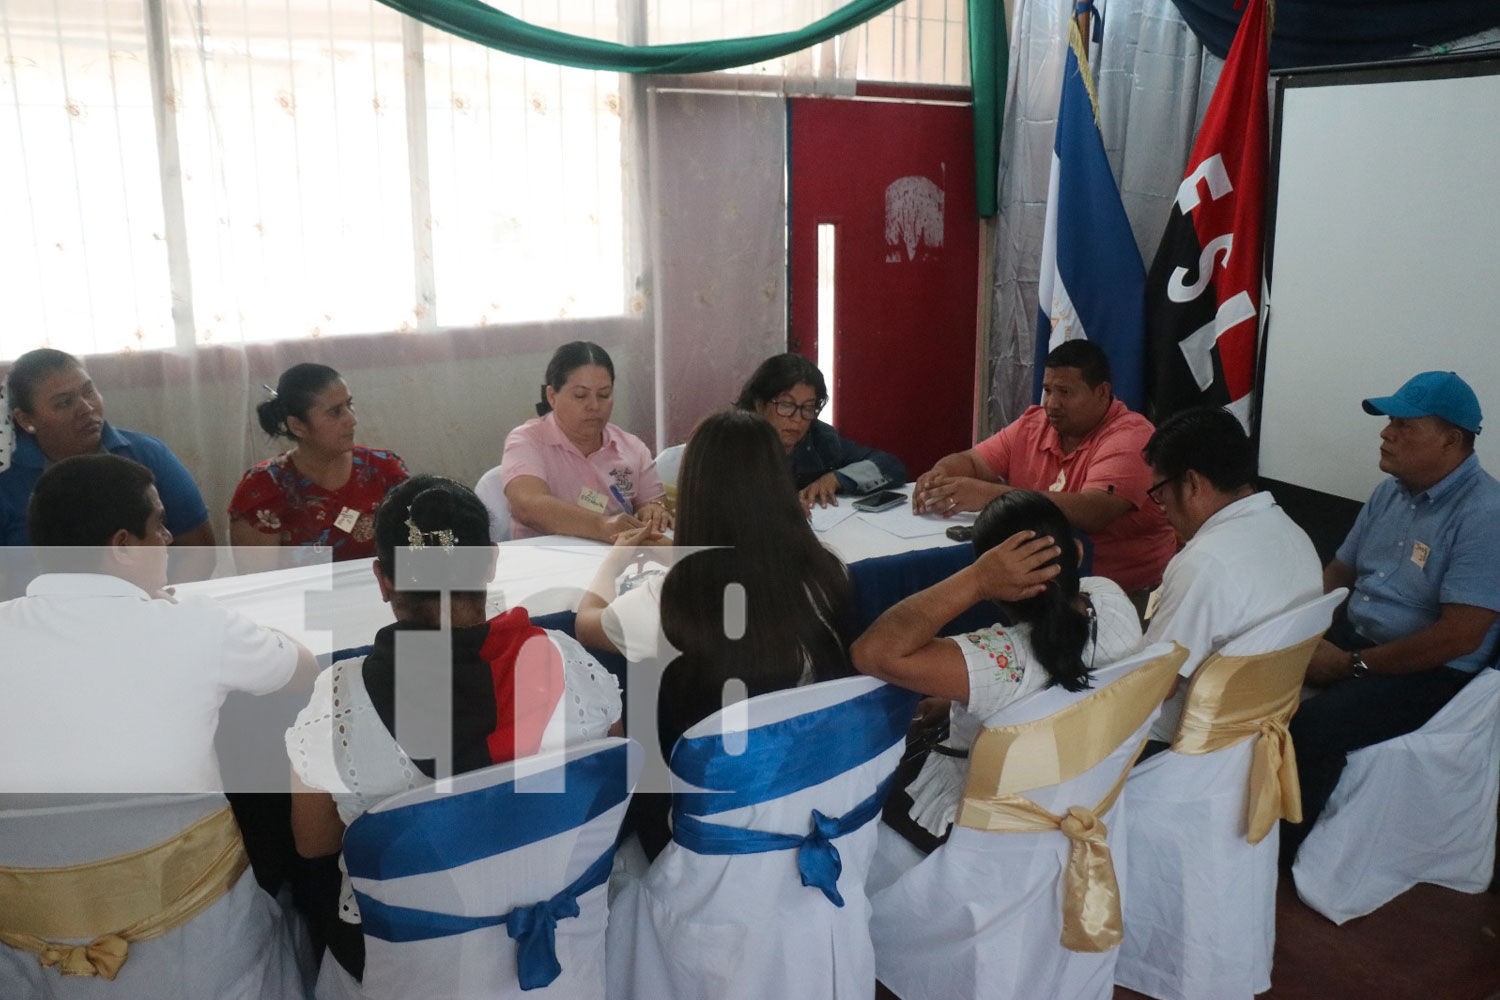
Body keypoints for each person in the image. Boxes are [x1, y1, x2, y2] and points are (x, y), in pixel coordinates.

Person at [284, 475, 622, 985]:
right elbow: (610, 777)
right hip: (559, 947)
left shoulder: (339, 702)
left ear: (382, 579)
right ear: (489, 562)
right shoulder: (567, 661)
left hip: (411, 972)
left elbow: (312, 844)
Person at [0, 453, 315, 796]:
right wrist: (175, 608)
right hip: (179, 846)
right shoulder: (198, 624)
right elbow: (304, 668)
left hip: (22, 847)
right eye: (158, 526)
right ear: (123, 546)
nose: (167, 539)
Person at [1285, 371, 1500, 858]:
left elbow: (1460, 637)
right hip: (1362, 637)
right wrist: (1300, 629)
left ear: (1451, 440)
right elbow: (1340, 570)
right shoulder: (1389, 492)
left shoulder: (1486, 513)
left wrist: (1349, 667)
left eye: (1405, 425)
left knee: (1310, 728)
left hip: (1434, 672)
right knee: (1252, 675)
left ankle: (1281, 852)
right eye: (1389, 422)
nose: (1386, 432)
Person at [851, 489, 1143, 845]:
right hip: (1085, 796)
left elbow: (872, 652)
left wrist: (974, 580)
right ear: (1078, 555)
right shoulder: (1111, 598)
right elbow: (1054, 683)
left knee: (863, 779)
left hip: (979, 824)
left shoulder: (999, 662)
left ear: (996, 588)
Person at [911, 339, 1174, 598]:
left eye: (1065, 392)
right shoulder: (1034, 424)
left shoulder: (1132, 437)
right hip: (1040, 587)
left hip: (1122, 596)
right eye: (1047, 390)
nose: (1052, 403)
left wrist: (991, 497)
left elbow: (1093, 512)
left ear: (1102, 392)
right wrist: (939, 476)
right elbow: (973, 462)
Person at [1138, 407, 1322, 747]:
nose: (1160, 508)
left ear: (1192, 483)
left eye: (1160, 494)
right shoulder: (1295, 537)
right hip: (1256, 740)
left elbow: (1153, 684)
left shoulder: (1205, 562)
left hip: (1172, 747)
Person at [1, 348, 215, 582]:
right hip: (43, 611)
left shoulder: (146, 454)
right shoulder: (7, 479)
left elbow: (198, 550)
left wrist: (160, 607)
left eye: (88, 391)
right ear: (25, 419)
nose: (86, 408)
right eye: (64, 403)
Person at [228, 363, 408, 569]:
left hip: (379, 596)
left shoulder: (385, 470)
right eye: (335, 412)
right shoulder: (262, 488)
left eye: (350, 405)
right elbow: (259, 586)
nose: (352, 419)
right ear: (298, 426)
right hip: (297, 599)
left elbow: (416, 559)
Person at [496, 341, 670, 542]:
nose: (594, 406)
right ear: (552, 396)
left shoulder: (632, 447)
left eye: (604, 395)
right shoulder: (527, 440)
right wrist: (603, 525)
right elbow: (527, 505)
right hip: (545, 563)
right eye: (580, 396)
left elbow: (655, 504)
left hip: (618, 561)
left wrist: (654, 511)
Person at [734, 352, 906, 511]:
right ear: (759, 405)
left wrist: (837, 478)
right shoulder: (732, 440)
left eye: (808, 407)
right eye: (786, 405)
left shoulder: (820, 439)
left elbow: (890, 466)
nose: (798, 418)